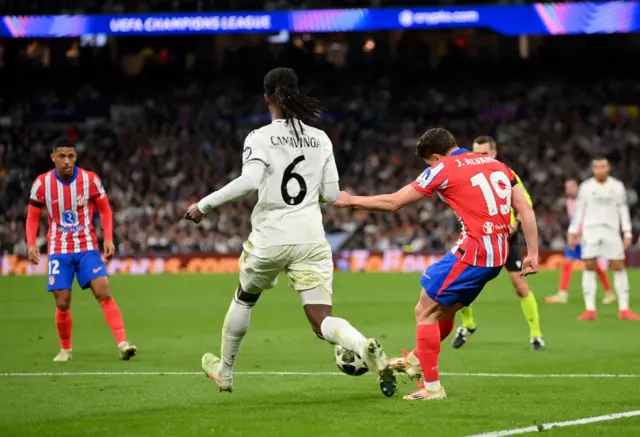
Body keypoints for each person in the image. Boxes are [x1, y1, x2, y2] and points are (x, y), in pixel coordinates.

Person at [184, 67, 396, 397]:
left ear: (267, 98)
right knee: (321, 319)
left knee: (245, 296)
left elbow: (250, 182)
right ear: (296, 93)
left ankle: (225, 371)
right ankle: (361, 344)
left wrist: (204, 205)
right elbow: (329, 194)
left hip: (271, 236)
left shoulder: (259, 137)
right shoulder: (321, 138)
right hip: (311, 237)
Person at [332, 128, 539, 400]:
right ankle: (415, 360)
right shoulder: (499, 166)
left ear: (435, 156)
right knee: (445, 310)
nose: (429, 168)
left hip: (475, 251)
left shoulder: (443, 168)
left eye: (428, 163)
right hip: (497, 254)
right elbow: (525, 208)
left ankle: (432, 388)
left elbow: (395, 202)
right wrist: (532, 253)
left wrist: (351, 201)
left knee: (425, 310)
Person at [26, 137, 137, 362]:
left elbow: (105, 210)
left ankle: (123, 343)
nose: (67, 161)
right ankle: (65, 349)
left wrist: (108, 238)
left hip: (87, 246)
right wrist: (30, 243)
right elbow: (32, 216)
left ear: (75, 157)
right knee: (62, 301)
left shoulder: (90, 180)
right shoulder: (42, 184)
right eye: (62, 156)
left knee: (103, 291)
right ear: (53, 157)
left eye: (71, 156)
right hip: (58, 248)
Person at [451, 136, 544, 351]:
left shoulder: (506, 174)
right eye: (475, 153)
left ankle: (536, 335)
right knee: (462, 284)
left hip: (506, 238)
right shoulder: (467, 175)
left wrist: (514, 224)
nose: (478, 157)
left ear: (494, 153)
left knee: (520, 286)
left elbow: (525, 206)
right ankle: (468, 324)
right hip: (478, 239)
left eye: (483, 153)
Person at [568, 157, 640, 321]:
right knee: (589, 265)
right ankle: (590, 309)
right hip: (590, 230)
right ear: (593, 169)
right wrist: (573, 230)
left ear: (608, 168)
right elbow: (579, 210)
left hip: (611, 230)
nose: (599, 169)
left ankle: (624, 309)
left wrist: (627, 232)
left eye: (603, 166)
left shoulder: (617, 186)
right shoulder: (586, 187)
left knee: (618, 266)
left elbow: (623, 210)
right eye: (596, 167)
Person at [546, 178, 615, 304]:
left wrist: (580, 234)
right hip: (576, 237)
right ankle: (562, 294)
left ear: (577, 187)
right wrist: (572, 235)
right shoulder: (569, 202)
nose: (569, 190)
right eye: (567, 188)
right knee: (567, 264)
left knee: (594, 265)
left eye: (571, 187)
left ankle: (609, 292)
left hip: (588, 237)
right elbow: (574, 221)